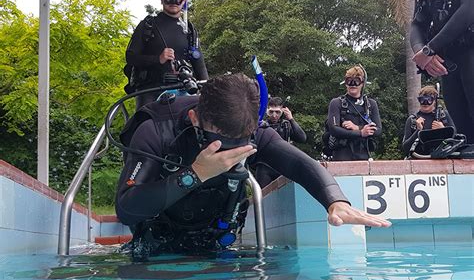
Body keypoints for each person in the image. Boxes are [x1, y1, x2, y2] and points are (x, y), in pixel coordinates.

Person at [115, 73, 391, 258]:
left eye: (241, 141)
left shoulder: (257, 132)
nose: (231, 150)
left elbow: (302, 165)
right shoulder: (156, 131)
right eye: (221, 141)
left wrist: (335, 201)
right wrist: (194, 175)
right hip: (156, 244)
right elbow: (127, 209)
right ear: (194, 118)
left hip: (216, 242)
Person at [124, 0, 209, 109]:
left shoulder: (189, 30)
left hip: (184, 90)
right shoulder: (148, 25)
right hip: (150, 92)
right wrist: (158, 59)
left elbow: (200, 66)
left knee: (191, 125)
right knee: (144, 125)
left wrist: (208, 94)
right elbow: (130, 57)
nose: (173, 1)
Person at [410, 0, 474, 143]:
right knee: (464, 134)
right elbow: (417, 24)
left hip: (470, 52)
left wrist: (430, 49)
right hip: (449, 63)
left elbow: (469, 10)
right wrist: (422, 52)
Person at [324, 65, 382, 161]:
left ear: (363, 83)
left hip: (364, 155)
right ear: (345, 83)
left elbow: (378, 130)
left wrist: (357, 128)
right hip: (342, 155)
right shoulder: (337, 103)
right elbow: (333, 129)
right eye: (349, 81)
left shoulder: (371, 104)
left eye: (357, 81)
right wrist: (360, 133)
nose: (353, 84)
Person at [255, 97, 307, 187]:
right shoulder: (261, 126)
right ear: (267, 111)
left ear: (282, 111)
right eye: (271, 112)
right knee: (263, 197)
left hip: (282, 165)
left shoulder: (285, 125)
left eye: (277, 112)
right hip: (264, 166)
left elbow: (302, 138)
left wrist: (291, 119)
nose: (274, 115)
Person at [402, 85, 456, 157]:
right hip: (420, 159)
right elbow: (406, 148)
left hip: (442, 159)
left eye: (429, 100)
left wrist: (444, 130)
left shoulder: (443, 116)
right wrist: (418, 130)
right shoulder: (412, 120)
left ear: (434, 101)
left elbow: (456, 141)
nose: (425, 103)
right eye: (422, 100)